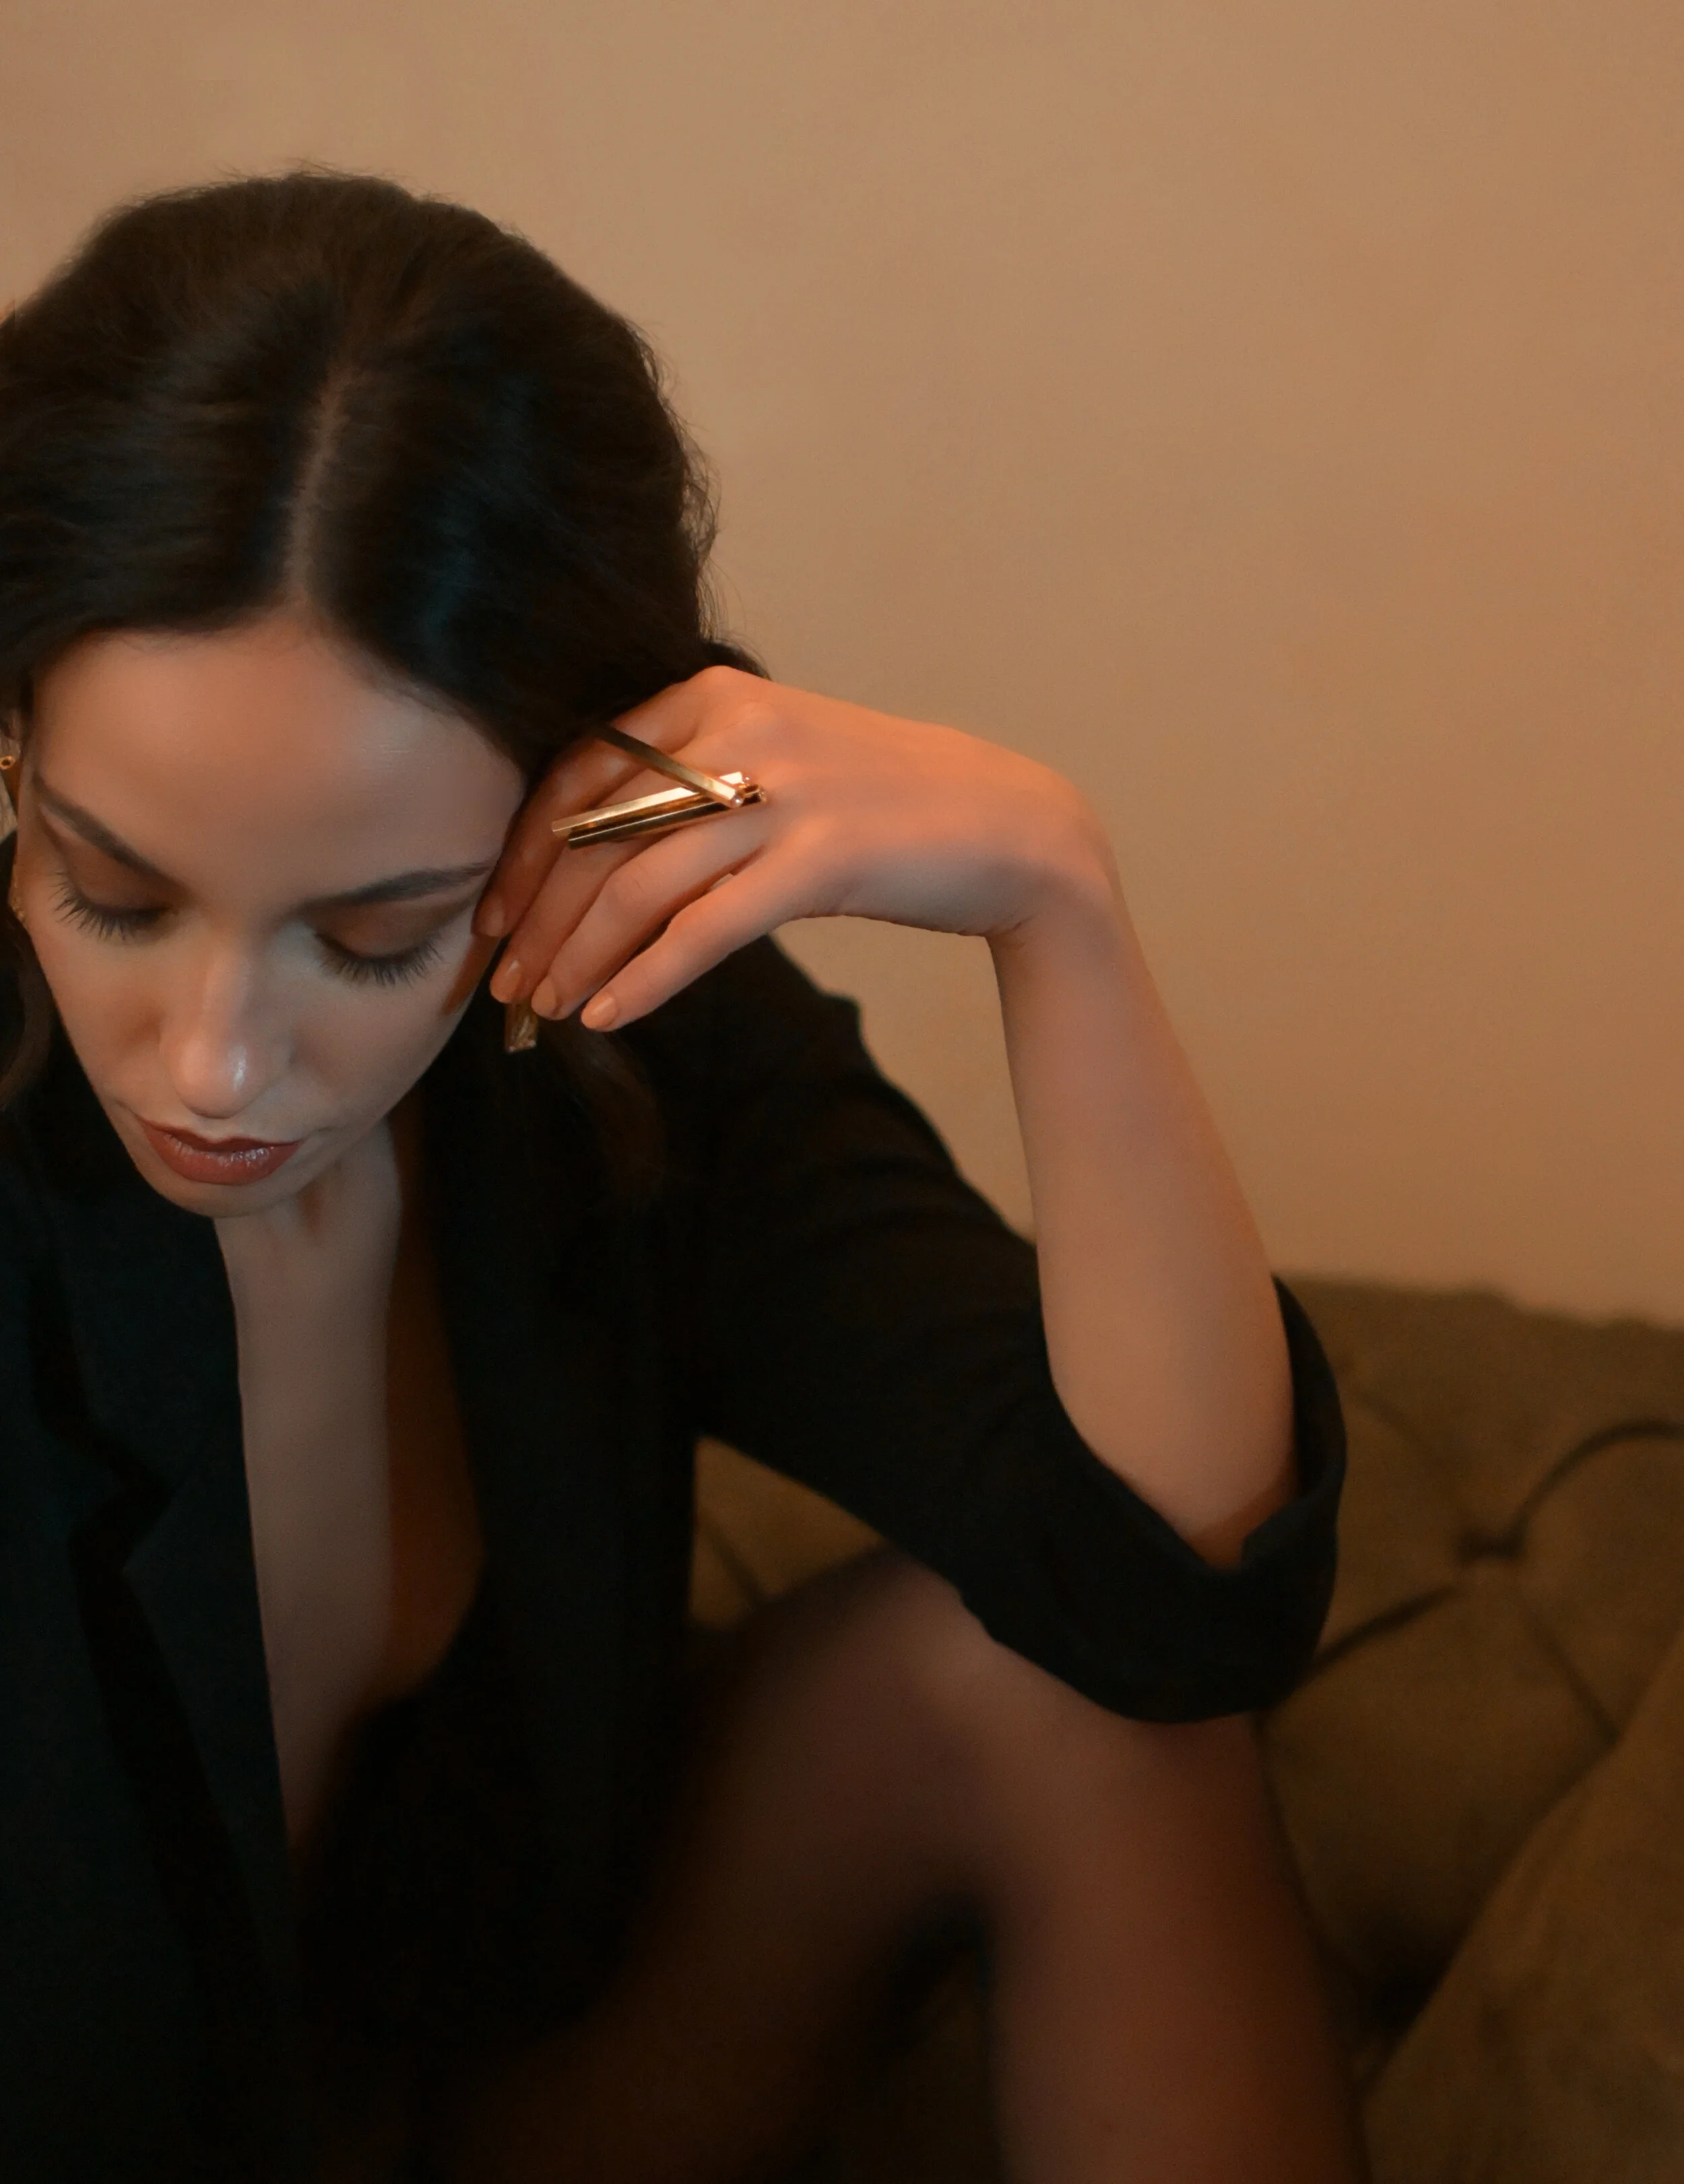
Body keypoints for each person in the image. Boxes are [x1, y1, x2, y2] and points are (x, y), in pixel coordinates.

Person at [0, 171, 1363, 2183]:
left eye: (376, 935)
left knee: (1074, 1710)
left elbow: (1172, 1605)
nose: (214, 1060)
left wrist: (1054, 902)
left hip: (472, 2113)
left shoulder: (610, 1043)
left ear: (573, 819)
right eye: (113, 893)